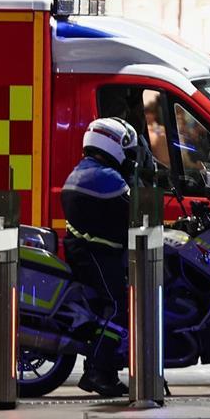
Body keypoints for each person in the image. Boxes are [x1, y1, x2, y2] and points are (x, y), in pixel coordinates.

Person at [61, 117, 139, 397]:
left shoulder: (86, 170)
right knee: (118, 305)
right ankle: (97, 370)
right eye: (127, 151)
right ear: (113, 145)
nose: (129, 159)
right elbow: (132, 210)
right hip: (97, 253)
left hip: (86, 250)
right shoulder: (105, 178)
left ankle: (106, 369)